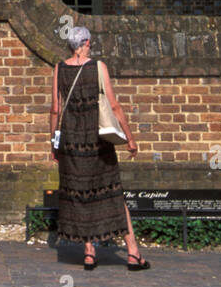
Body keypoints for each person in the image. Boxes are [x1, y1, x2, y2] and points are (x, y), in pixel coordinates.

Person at [49, 24, 150, 270]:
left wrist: (54, 143)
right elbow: (114, 106)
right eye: (90, 42)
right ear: (84, 43)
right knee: (112, 193)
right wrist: (129, 138)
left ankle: (89, 253)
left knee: (81, 195)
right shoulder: (98, 67)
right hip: (97, 140)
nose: (91, 46)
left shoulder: (59, 69)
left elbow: (55, 108)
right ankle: (133, 253)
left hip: (71, 143)